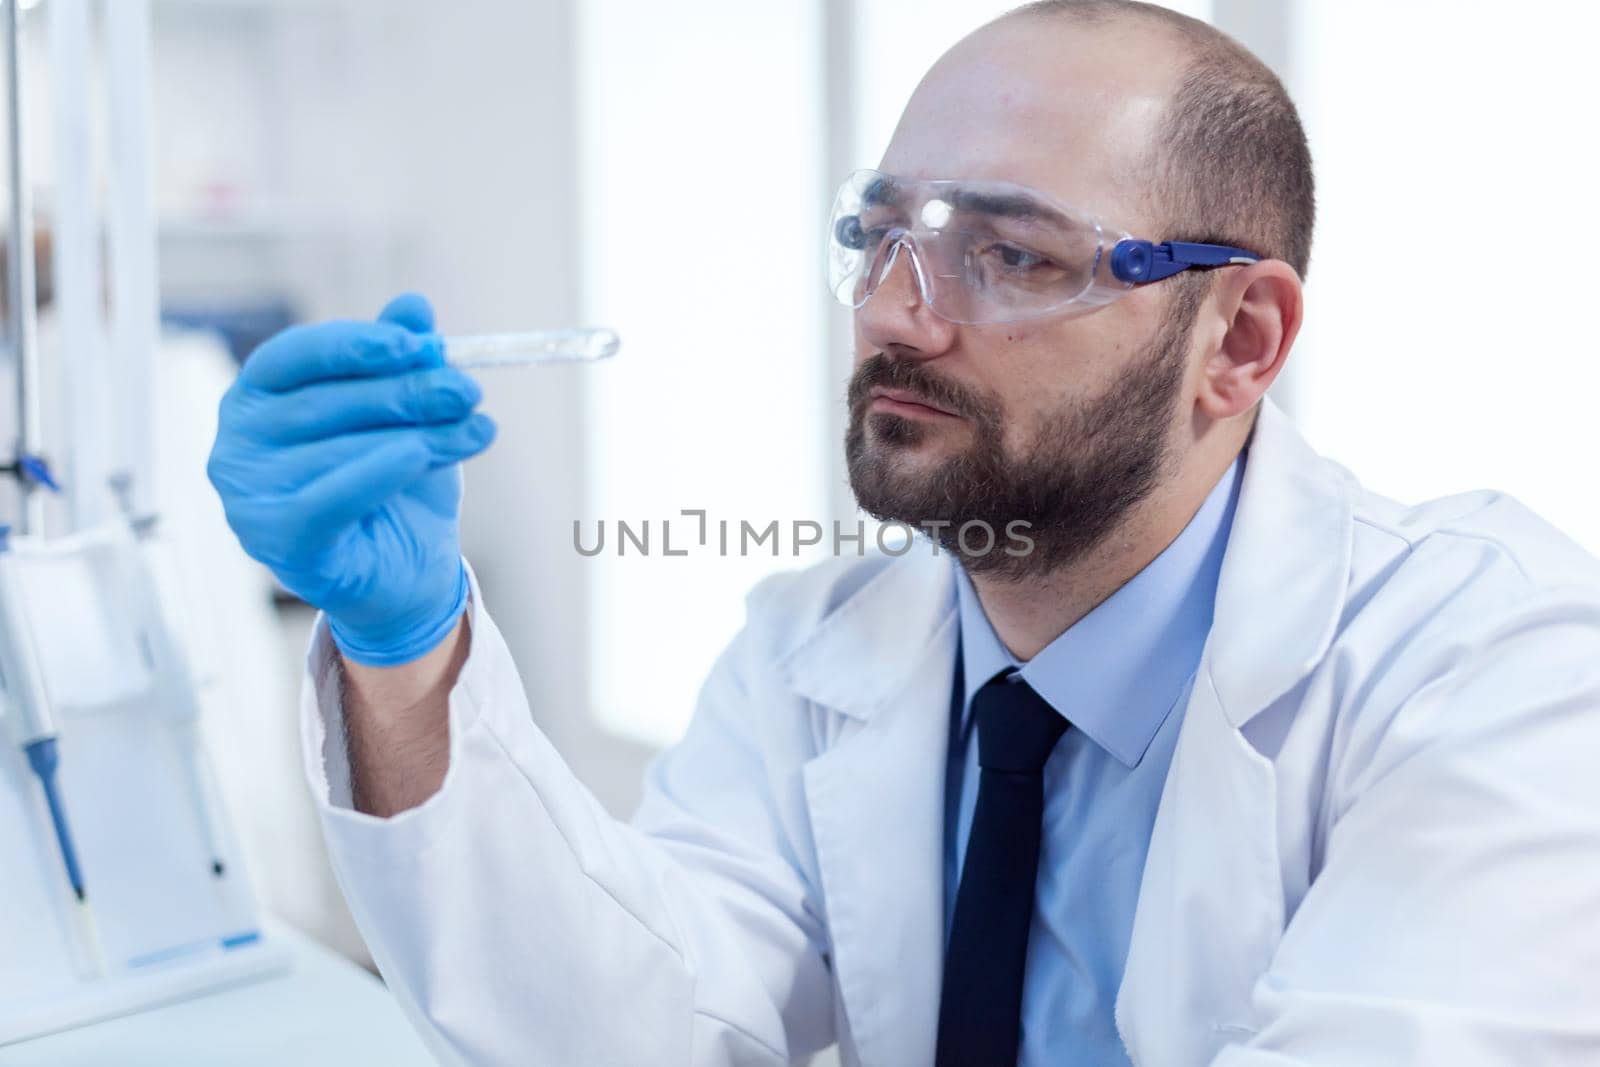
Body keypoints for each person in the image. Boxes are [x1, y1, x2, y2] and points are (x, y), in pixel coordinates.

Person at [205, 2, 1600, 1064]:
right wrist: (409, 644)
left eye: (1009, 256)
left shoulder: (1497, 671)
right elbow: (637, 1020)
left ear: (1238, 339)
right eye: (882, 237)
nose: (893, 312)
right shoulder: (815, 648)